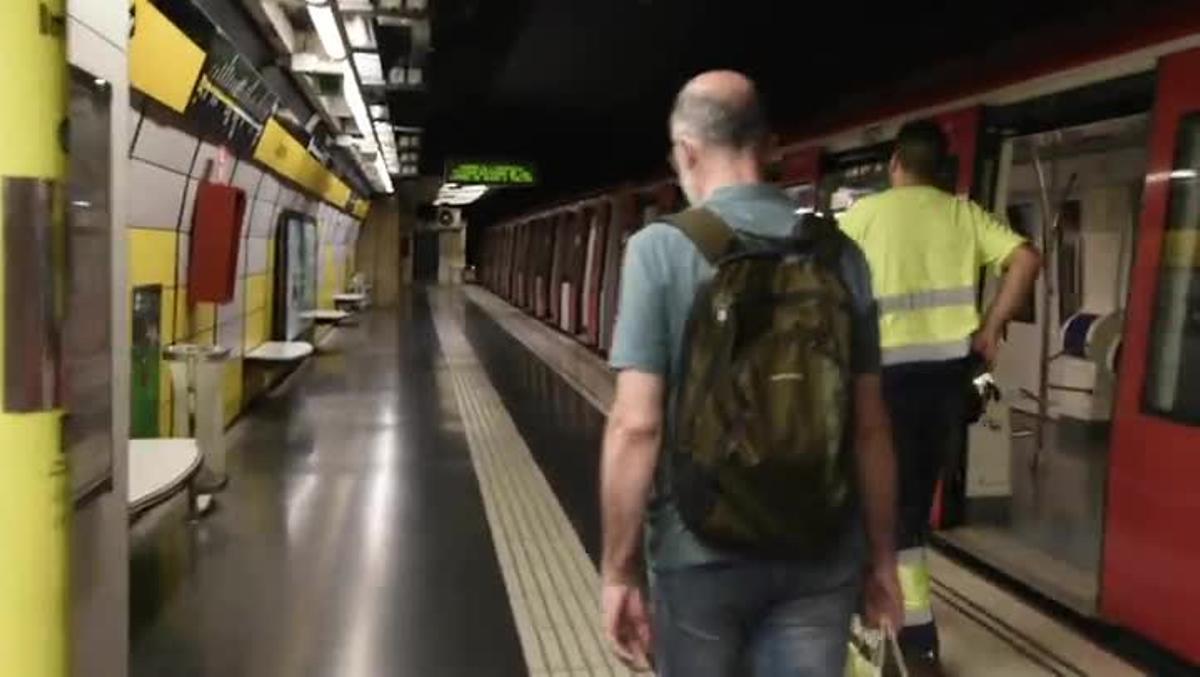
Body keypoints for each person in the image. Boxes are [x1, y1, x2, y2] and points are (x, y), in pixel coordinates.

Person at [599, 70, 904, 676]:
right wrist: (883, 559)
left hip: (698, 550)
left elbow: (636, 427)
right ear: (769, 147)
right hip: (821, 549)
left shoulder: (659, 249)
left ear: (687, 152)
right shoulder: (840, 255)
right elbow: (870, 429)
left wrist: (618, 570)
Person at [838, 119, 1042, 671]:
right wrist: (991, 327)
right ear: (939, 169)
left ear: (895, 165)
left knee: (878, 512)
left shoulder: (863, 216)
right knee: (908, 511)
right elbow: (1026, 259)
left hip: (879, 387)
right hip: (947, 384)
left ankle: (901, 644)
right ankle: (908, 639)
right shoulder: (962, 213)